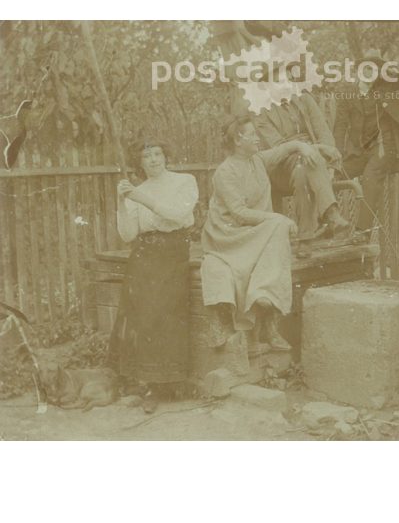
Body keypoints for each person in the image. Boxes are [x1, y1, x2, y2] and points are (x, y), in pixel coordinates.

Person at [201, 115, 319, 354]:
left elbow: (282, 150)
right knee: (277, 227)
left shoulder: (258, 160)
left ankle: (266, 302)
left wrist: (302, 145)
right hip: (228, 234)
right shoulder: (225, 172)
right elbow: (238, 213)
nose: (257, 138)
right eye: (252, 134)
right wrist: (277, 217)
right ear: (237, 140)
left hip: (254, 231)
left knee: (276, 233)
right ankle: (265, 306)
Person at [108, 139, 199, 414]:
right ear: (140, 162)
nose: (153, 160)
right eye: (147, 156)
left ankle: (172, 383)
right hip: (144, 256)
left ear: (166, 157)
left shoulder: (185, 182)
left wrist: (140, 198)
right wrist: (123, 202)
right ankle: (148, 385)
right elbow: (127, 235)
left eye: (158, 154)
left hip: (173, 254)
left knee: (167, 315)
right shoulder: (138, 191)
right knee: (142, 317)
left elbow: (177, 215)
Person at [333, 53, 399, 240]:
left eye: (373, 69)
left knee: (371, 178)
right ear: (357, 71)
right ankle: (327, 224)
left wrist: (388, 69)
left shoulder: (387, 89)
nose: (369, 72)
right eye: (365, 68)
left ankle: (362, 231)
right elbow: (340, 126)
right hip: (358, 151)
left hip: (384, 147)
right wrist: (336, 155)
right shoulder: (347, 94)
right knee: (332, 176)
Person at [252, 90, 349, 254]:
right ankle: (331, 214)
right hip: (281, 168)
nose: (285, 82)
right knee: (303, 162)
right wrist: (315, 148)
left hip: (309, 164)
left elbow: (324, 133)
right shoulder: (260, 110)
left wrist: (329, 163)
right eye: (278, 78)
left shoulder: (304, 99)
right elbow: (279, 148)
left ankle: (306, 239)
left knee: (302, 170)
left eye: (287, 75)